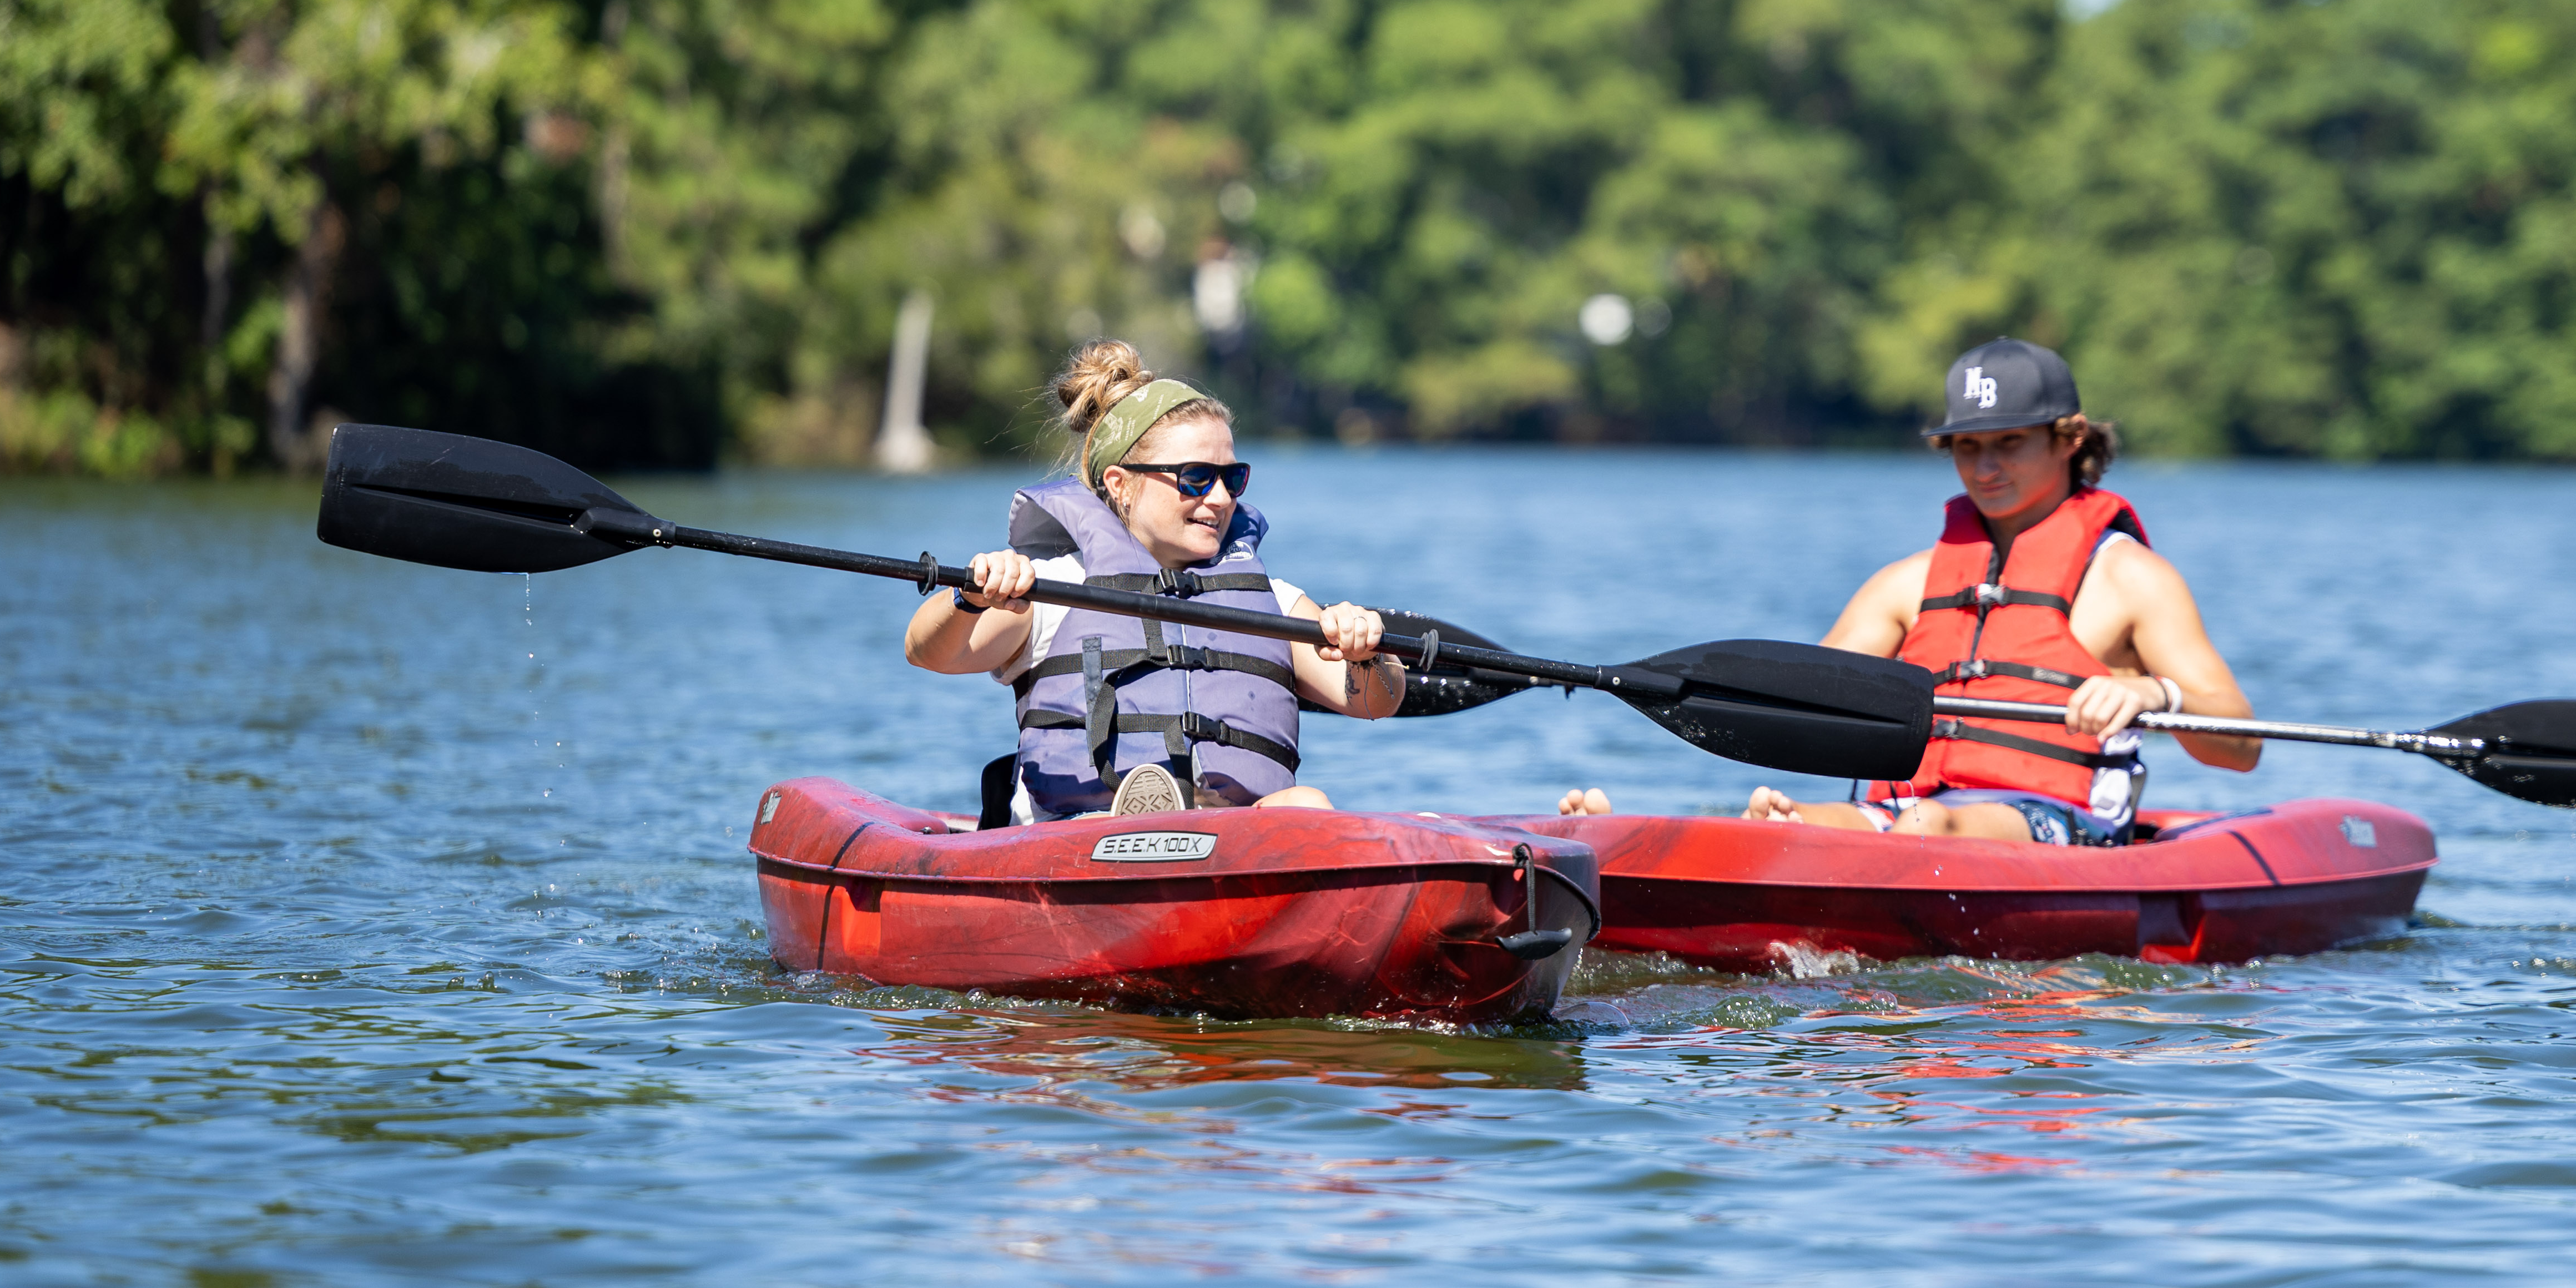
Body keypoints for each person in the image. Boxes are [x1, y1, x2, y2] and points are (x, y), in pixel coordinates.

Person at [1558, 337, 2256, 844]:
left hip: (2061, 822)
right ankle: (1623, 845)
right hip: (1908, 818)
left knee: (1933, 822)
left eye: (2009, 442)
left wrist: (2151, 693)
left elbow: (2241, 744)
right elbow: (1797, 715)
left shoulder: (2131, 576)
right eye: (1967, 447)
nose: (1986, 467)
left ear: (2069, 439)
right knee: (1795, 819)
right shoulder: (1906, 585)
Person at [904, 341, 1400, 820]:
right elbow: (930, 652)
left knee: (1306, 802)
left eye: (1233, 478)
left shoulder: (1273, 603)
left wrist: (1368, 652)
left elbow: (1375, 699)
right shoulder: (1055, 587)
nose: (1222, 498)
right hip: (1083, 839)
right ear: (1120, 484)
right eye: (1196, 478)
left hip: (1236, 843)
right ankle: (1148, 817)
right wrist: (969, 598)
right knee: (1125, 826)